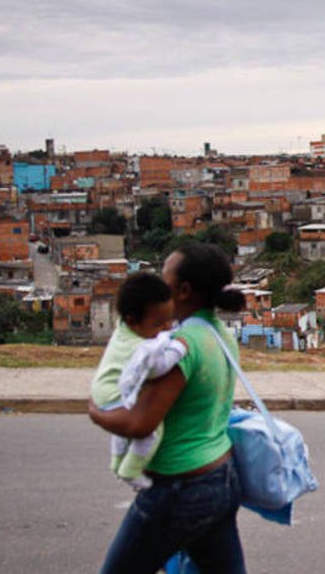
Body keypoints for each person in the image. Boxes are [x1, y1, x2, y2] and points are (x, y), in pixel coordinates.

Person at [89, 243, 247, 574]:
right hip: (221, 476)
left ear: (184, 290)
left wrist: (95, 411)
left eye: (165, 277)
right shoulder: (219, 333)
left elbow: (140, 423)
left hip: (181, 488)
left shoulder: (180, 346)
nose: (159, 283)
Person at [91, 271, 187, 490]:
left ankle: (116, 462)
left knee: (123, 432)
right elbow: (156, 368)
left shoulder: (124, 330)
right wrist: (179, 348)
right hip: (115, 394)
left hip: (103, 389)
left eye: (169, 320)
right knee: (151, 430)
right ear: (133, 321)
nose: (166, 328)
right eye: (158, 324)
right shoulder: (140, 348)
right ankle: (131, 470)